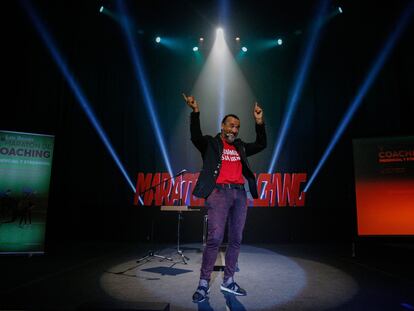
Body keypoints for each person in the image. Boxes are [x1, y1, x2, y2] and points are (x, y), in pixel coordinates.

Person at [182, 93, 267, 303]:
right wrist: (195, 112)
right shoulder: (211, 143)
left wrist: (259, 122)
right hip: (218, 193)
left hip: (239, 194)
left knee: (236, 239)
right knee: (215, 239)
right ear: (222, 126)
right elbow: (195, 136)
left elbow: (262, 144)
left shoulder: (240, 147)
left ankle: (228, 281)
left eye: (237, 127)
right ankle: (203, 284)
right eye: (231, 125)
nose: (234, 129)